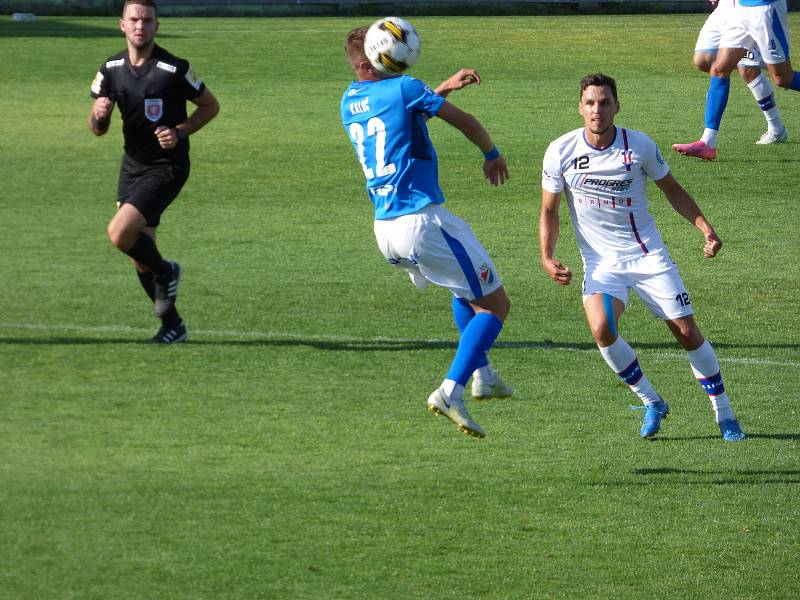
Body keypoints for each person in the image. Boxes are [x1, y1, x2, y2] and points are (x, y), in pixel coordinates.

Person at [540, 73, 745, 441]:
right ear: (580, 107)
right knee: (602, 329)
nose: (597, 109)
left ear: (617, 106)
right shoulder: (561, 151)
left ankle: (725, 414)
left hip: (648, 258)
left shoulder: (639, 146)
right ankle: (652, 401)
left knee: (686, 332)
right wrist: (547, 255)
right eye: (590, 102)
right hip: (602, 265)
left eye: (604, 102)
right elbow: (549, 211)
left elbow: (673, 191)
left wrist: (705, 228)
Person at [341, 25, 512, 439]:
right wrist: (491, 153)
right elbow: (465, 123)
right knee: (495, 306)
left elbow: (403, 114)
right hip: (422, 221)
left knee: (463, 291)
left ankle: (484, 374)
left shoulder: (350, 100)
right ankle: (450, 391)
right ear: (373, 59)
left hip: (385, 229)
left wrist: (443, 87)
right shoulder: (404, 87)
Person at [88, 0, 219, 343]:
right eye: (134, 19)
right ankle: (173, 326)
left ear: (156, 26)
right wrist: (99, 115)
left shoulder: (174, 69)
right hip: (132, 165)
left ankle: (167, 271)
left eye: (147, 20)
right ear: (122, 24)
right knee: (139, 253)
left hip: (167, 166)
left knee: (120, 235)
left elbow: (210, 106)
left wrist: (179, 132)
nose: (140, 26)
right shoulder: (110, 68)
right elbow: (97, 129)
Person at [673, 0, 798, 160]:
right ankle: (707, 143)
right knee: (719, 68)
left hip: (764, 10)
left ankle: (776, 128)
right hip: (740, 10)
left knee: (783, 78)